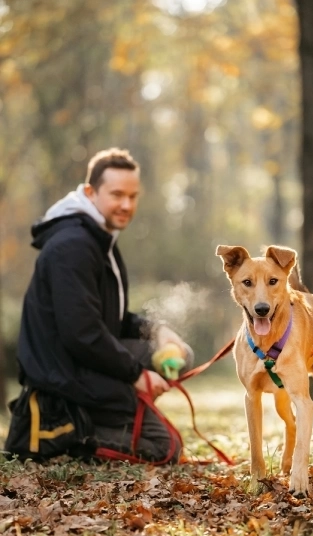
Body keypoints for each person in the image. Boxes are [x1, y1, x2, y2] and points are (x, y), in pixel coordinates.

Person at [5, 148, 192, 463]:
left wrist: (157, 330)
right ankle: (62, 435)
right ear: (90, 192)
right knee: (166, 449)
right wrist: (136, 376)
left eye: (133, 196)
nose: (126, 205)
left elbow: (110, 320)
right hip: (65, 377)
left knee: (179, 354)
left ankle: (111, 412)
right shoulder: (72, 246)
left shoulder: (99, 237)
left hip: (85, 361)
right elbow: (83, 333)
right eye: (117, 194)